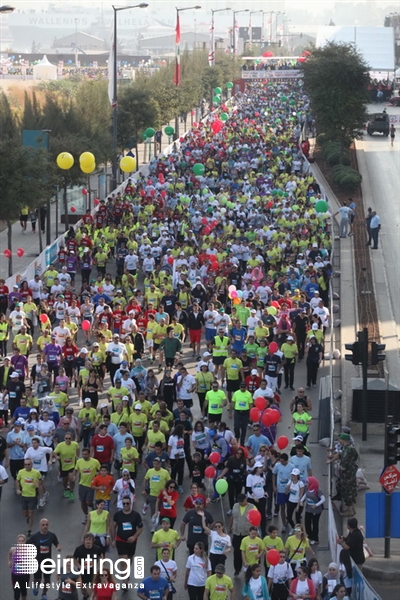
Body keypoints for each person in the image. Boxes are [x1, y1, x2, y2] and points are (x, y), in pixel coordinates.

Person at [111, 495, 143, 561]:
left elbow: (141, 528)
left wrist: (134, 537)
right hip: (120, 540)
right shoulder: (117, 515)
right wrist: (113, 539)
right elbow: (113, 526)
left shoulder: (136, 515)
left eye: (127, 503)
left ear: (130, 503)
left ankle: (125, 571)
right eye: (124, 503)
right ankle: (124, 571)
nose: (125, 505)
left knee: (129, 560)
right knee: (124, 561)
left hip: (132, 542)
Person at [16, 457, 42, 537]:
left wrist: (38, 484)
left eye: (29, 464)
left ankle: (29, 530)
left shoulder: (36, 472)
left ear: (31, 465)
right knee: (25, 514)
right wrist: (17, 489)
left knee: (31, 513)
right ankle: (28, 518)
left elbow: (41, 479)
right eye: (25, 464)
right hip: (23, 495)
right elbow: (17, 481)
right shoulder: (21, 472)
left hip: (32, 496)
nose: (27, 466)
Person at [301, 477, 325, 545]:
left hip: (316, 511)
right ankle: (310, 536)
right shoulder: (307, 488)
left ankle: (315, 538)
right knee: (307, 523)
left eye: (308, 482)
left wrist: (316, 505)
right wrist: (301, 501)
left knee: (315, 524)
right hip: (308, 509)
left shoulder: (318, 491)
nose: (306, 483)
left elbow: (323, 499)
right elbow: (305, 495)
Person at [8, 534, 31, 600]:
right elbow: (9, 554)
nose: (21, 543)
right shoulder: (13, 549)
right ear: (17, 542)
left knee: (24, 592)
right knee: (16, 593)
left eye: (22, 541)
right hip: (15, 575)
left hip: (25, 575)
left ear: (25, 542)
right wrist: (9, 561)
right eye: (19, 541)